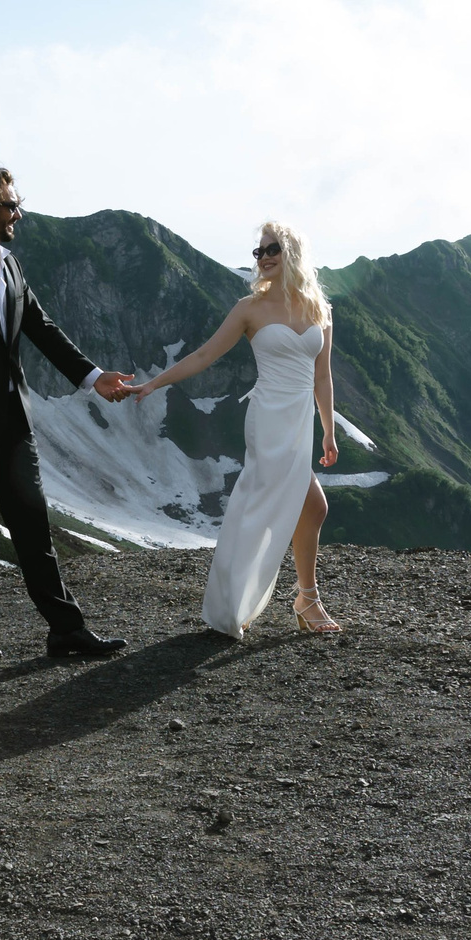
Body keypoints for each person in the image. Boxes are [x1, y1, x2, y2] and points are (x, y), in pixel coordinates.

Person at [0, 165, 137, 662]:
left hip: (14, 424)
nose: (18, 213)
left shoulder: (11, 265)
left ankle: (66, 630)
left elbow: (41, 327)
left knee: (34, 529)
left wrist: (93, 377)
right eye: (11, 204)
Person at [133, 220, 342, 637]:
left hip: (299, 419)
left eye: (272, 249)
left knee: (310, 507)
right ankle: (277, 599)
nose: (263, 257)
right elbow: (204, 355)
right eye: (259, 251)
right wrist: (154, 383)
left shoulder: (319, 309)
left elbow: (323, 376)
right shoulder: (249, 308)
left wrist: (328, 431)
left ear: (292, 254)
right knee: (269, 505)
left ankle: (303, 598)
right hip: (268, 418)